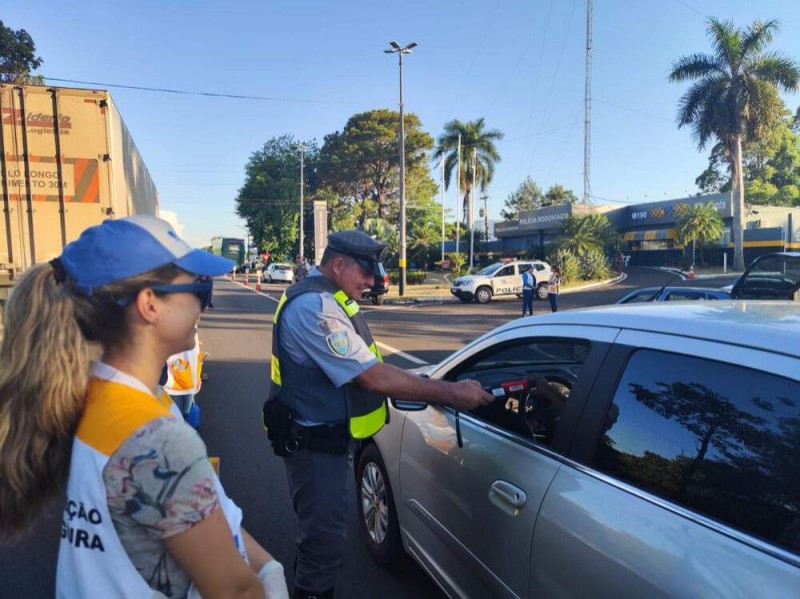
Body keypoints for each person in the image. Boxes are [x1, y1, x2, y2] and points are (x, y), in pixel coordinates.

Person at [0, 215, 288, 599]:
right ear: (149, 304)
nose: (206, 301)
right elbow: (235, 591)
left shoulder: (97, 393)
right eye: (199, 287)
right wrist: (265, 581)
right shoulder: (156, 440)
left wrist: (265, 563)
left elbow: (199, 509)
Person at [263, 230, 493, 599]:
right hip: (314, 445)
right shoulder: (314, 308)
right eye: (365, 272)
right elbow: (372, 376)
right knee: (324, 544)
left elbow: (366, 361)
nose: (372, 281)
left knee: (319, 538)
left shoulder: (332, 296)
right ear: (337, 264)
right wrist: (450, 392)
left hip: (325, 439)